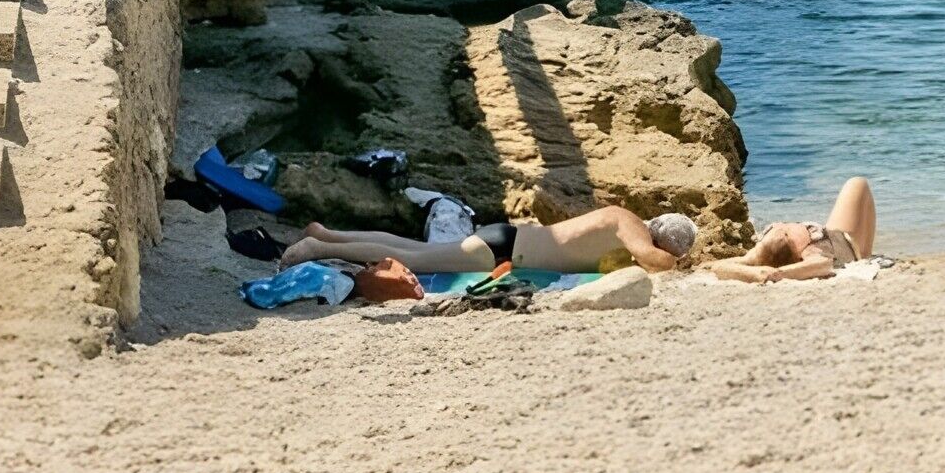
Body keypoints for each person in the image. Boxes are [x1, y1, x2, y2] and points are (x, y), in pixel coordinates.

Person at [253, 203, 696, 278]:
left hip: (507, 237)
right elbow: (651, 259)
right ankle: (319, 249)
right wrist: (687, 267)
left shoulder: (620, 217)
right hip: (504, 250)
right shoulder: (633, 226)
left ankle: (328, 233)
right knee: (414, 259)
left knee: (415, 246)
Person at [708, 176, 875, 283]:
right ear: (798, 250)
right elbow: (823, 265)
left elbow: (716, 267)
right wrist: (778, 274)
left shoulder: (763, 251)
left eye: (774, 227)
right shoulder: (811, 252)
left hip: (833, 235)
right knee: (857, 184)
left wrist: (753, 270)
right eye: (785, 232)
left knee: (857, 185)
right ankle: (864, 255)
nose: (781, 225)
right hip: (849, 242)